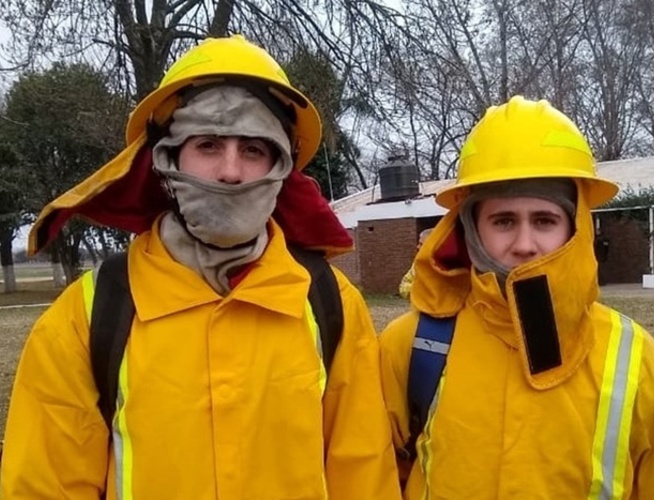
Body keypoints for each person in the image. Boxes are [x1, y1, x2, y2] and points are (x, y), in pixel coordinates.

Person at [1, 35, 401, 499]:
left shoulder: (329, 305)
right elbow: (44, 487)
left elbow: (365, 478)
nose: (231, 171)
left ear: (281, 167)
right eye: (209, 145)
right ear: (166, 162)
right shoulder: (86, 319)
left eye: (254, 149)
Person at [379, 96, 654, 498]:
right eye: (503, 221)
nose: (525, 244)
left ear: (575, 227)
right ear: (471, 228)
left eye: (544, 220)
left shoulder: (638, 363)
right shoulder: (411, 347)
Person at [399, 229, 433, 299]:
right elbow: (403, 287)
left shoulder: (447, 265)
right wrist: (420, 288)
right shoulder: (417, 263)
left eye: (421, 244)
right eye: (418, 243)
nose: (417, 247)